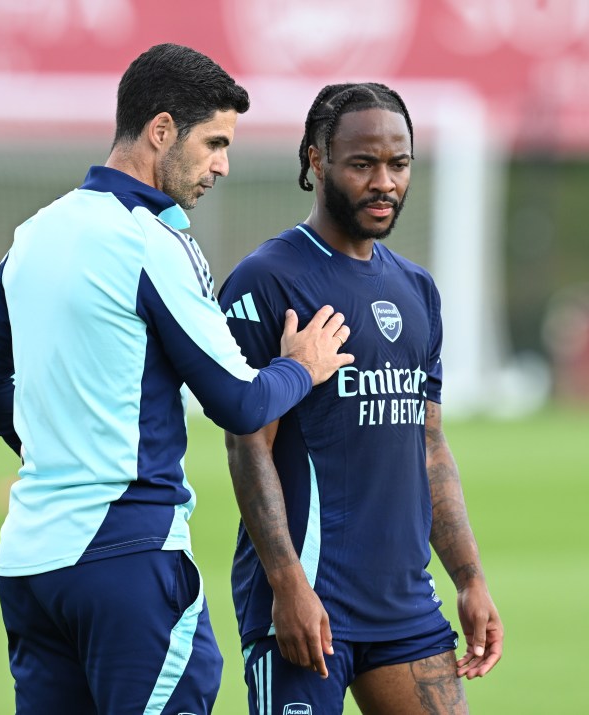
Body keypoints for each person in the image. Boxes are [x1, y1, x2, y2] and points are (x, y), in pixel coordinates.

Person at [0, 44, 353, 715]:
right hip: (127, 564)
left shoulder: (35, 232)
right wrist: (299, 366)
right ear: (162, 130)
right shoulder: (151, 242)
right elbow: (240, 401)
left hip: (30, 564)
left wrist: (51, 453)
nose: (223, 164)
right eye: (215, 142)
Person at [219, 83, 503, 715]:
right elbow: (247, 446)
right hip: (306, 604)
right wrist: (287, 582)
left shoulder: (418, 290)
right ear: (317, 160)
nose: (385, 182)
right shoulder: (268, 279)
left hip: (404, 607)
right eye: (362, 164)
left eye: (398, 164)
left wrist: (469, 577)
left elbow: (428, 446)